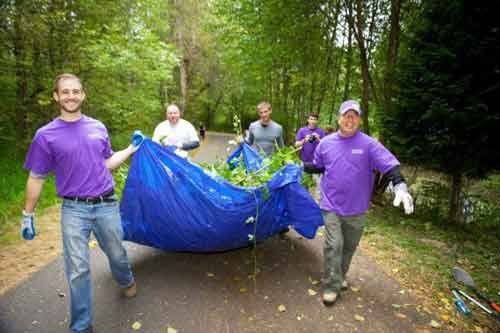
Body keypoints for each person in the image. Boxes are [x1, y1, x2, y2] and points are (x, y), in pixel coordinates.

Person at [22, 73, 143, 333]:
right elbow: (37, 176)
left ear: (83, 95)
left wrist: (130, 150)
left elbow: (107, 163)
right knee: (77, 269)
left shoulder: (98, 127)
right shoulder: (45, 135)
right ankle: (81, 326)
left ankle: (125, 279)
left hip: (107, 204)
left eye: (75, 91)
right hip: (73, 209)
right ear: (56, 96)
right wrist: (27, 214)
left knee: (117, 254)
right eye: (65, 92)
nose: (71, 96)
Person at [304, 100, 414, 306]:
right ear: (339, 118)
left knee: (348, 248)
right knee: (333, 245)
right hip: (331, 205)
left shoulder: (369, 144)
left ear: (359, 120)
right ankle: (330, 286)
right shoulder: (326, 143)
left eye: (354, 116)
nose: (350, 119)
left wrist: (399, 184)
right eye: (347, 115)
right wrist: (301, 167)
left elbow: (389, 164)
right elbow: (318, 166)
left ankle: (339, 276)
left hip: (357, 208)